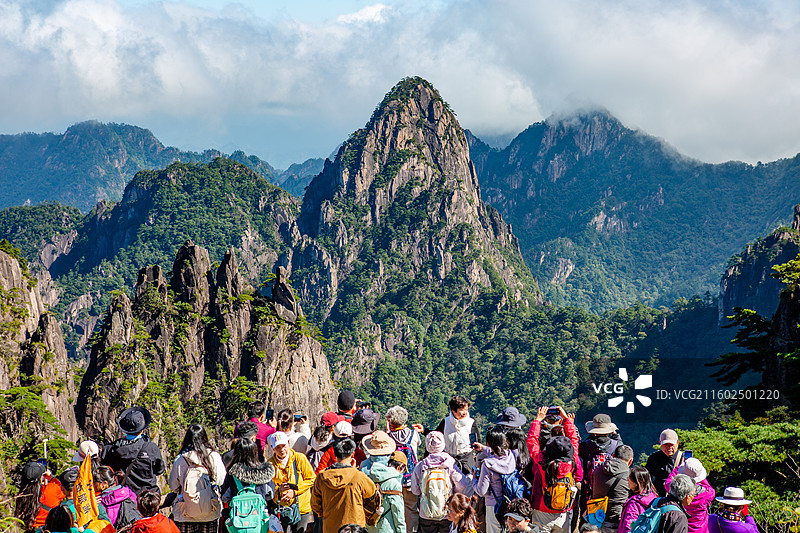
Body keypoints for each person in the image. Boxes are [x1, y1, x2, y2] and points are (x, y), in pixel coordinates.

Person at [526, 406, 582, 533]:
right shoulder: (571, 461)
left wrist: (538, 420)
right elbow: (574, 440)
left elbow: (532, 441)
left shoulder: (542, 462)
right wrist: (567, 420)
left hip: (542, 508)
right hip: (564, 510)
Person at [310, 438, 380, 533]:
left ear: (334, 455)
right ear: (352, 455)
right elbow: (373, 495)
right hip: (355, 527)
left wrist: (326, 514)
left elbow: (315, 504)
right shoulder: (358, 476)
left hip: (330, 526)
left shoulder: (322, 477)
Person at [168, 424, 227, 533]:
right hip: (210, 510)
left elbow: (173, 486)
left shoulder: (180, 459)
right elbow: (221, 480)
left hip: (184, 511)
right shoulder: (213, 456)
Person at [411, 431, 471, 533]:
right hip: (447, 511)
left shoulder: (421, 465)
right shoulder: (449, 463)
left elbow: (415, 491)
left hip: (426, 512)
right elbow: (462, 484)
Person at [101, 406, 166, 494]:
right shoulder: (151, 448)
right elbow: (159, 470)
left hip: (122, 497)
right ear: (142, 429)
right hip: (146, 497)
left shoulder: (110, 449)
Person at [268, 430, 316, 533]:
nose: (282, 450)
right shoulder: (270, 464)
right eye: (277, 447)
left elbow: (311, 479)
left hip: (301, 507)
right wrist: (278, 491)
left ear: (288, 444)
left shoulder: (300, 458)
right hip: (281, 508)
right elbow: (268, 488)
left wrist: (294, 492)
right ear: (272, 448)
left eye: (284, 446)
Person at [385, 405, 422, 533]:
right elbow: (418, 444)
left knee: (394, 506)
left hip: (394, 478)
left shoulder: (388, 437)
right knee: (411, 508)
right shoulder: (413, 434)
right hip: (411, 477)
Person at [473, 427, 517, 533]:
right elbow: (499, 455)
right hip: (511, 504)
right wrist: (484, 448)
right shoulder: (512, 456)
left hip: (493, 506)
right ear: (504, 441)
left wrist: (473, 479)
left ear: (488, 443)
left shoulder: (487, 464)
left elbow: (481, 491)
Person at [360, 431, 406, 533]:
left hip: (366, 526)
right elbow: (398, 513)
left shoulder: (363, 469)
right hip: (387, 527)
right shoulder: (393, 479)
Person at [589, 445, 633, 533]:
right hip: (617, 519)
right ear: (630, 460)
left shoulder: (598, 469)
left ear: (613, 456)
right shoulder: (630, 476)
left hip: (596, 518)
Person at [664, 458, 715, 533]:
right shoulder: (707, 493)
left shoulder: (675, 490)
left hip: (680, 527)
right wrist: (697, 475)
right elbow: (708, 486)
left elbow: (669, 481)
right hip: (700, 530)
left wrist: (680, 468)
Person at [434, 396, 475, 475]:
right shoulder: (446, 422)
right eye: (462, 410)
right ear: (453, 411)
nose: (465, 412)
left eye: (466, 410)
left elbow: (476, 441)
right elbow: (436, 436)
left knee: (469, 483)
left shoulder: (471, 423)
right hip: (448, 460)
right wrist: (424, 431)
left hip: (466, 460)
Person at [95, 465, 141, 529]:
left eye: (94, 482)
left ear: (104, 484)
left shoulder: (99, 502)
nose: (92, 484)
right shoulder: (129, 493)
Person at [645, 430, 684, 498]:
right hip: (658, 497)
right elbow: (647, 478)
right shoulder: (654, 458)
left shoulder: (683, 459)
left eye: (671, 444)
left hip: (677, 497)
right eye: (666, 444)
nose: (669, 448)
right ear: (660, 443)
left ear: (677, 443)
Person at [617, 466, 657, 533]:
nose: (627, 480)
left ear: (636, 483)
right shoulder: (653, 498)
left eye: (629, 478)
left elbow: (629, 526)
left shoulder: (634, 503)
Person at [15, 462, 49, 531]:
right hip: (45, 529)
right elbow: (66, 490)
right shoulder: (49, 492)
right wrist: (51, 478)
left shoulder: (19, 497)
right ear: (40, 479)